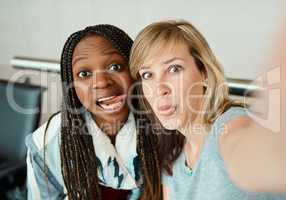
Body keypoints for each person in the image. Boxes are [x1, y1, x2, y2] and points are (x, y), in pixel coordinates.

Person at [129, 20, 286, 200]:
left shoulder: (229, 127)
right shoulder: (175, 162)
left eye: (174, 69)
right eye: (147, 75)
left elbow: (259, 156)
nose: (159, 88)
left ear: (203, 72)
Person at [25, 24, 162, 200]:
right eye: (84, 73)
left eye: (115, 67)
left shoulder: (165, 125)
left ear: (134, 69)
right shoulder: (45, 145)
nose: (102, 82)